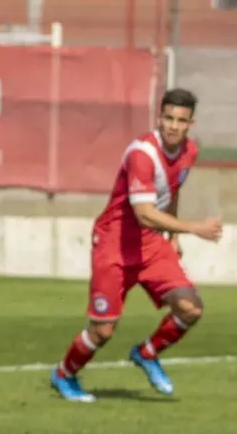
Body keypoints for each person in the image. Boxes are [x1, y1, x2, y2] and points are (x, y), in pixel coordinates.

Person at [50, 88, 222, 403]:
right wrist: (194, 228)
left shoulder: (190, 152)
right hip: (114, 243)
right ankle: (64, 374)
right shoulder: (141, 154)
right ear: (159, 117)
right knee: (103, 331)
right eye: (167, 117)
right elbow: (144, 214)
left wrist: (175, 235)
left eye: (180, 120)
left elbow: (172, 189)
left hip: (150, 244)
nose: (172, 125)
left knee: (190, 308)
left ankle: (147, 352)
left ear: (190, 124)